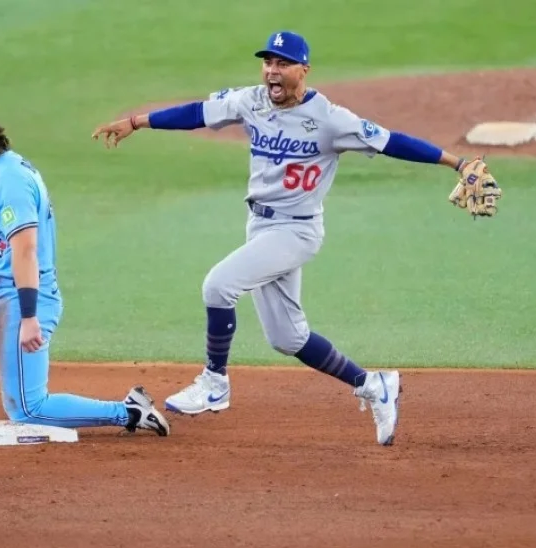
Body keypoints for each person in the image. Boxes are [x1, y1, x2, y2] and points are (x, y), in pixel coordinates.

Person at [91, 30, 486, 446]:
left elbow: (392, 142)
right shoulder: (251, 101)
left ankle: (214, 382)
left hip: (296, 229)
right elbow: (198, 113)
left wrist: (457, 163)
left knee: (218, 286)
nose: (271, 72)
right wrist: (137, 121)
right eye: (267, 63)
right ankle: (373, 384)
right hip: (260, 226)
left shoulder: (332, 120)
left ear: (303, 70)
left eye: (281, 64)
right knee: (287, 338)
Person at [0, 104, 170, 438]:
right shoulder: (0, 173)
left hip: (20, 298)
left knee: (27, 408)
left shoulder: (11, 182)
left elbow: (25, 251)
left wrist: (28, 317)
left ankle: (128, 412)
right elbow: (1, 245)